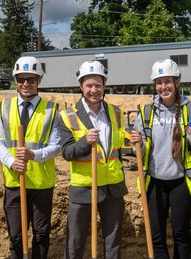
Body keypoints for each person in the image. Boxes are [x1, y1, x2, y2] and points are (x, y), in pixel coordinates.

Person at [130, 59, 191, 259]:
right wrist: (136, 144)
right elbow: (139, 151)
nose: (163, 86)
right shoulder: (146, 112)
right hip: (154, 184)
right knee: (156, 237)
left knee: (181, 234)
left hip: (181, 183)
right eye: (159, 82)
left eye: (167, 81)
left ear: (177, 82)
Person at [0, 56, 63, 259]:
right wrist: (11, 161)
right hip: (14, 181)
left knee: (41, 234)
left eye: (31, 79)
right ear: (16, 79)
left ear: (39, 81)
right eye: (21, 79)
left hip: (41, 183)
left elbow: (56, 146)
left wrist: (34, 155)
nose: (26, 84)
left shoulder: (51, 110)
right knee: (16, 235)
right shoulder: (4, 107)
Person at [60, 60, 128, 259]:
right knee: (75, 242)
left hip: (113, 188)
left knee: (113, 243)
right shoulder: (67, 116)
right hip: (84, 188)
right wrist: (84, 142)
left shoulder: (115, 113)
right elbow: (66, 152)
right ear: (81, 86)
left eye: (98, 85)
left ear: (104, 86)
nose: (94, 90)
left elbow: (118, 147)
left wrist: (133, 140)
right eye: (89, 85)